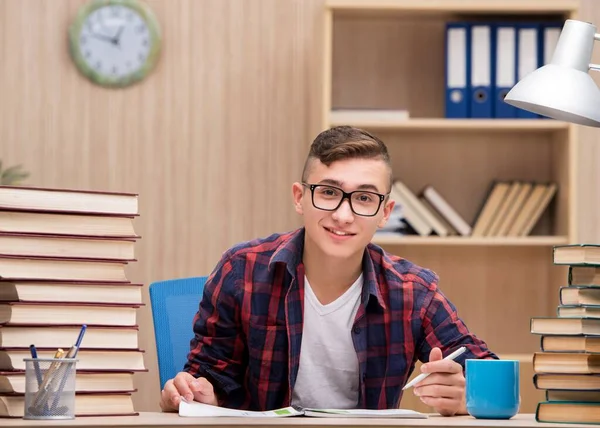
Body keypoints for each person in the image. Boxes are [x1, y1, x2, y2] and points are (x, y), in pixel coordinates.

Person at [159, 125, 497, 416]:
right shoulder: (241, 271)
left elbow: (494, 380)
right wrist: (194, 392)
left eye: (364, 198)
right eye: (329, 193)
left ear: (385, 212)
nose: (343, 215)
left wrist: (469, 397)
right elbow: (209, 378)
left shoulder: (413, 292)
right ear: (299, 197)